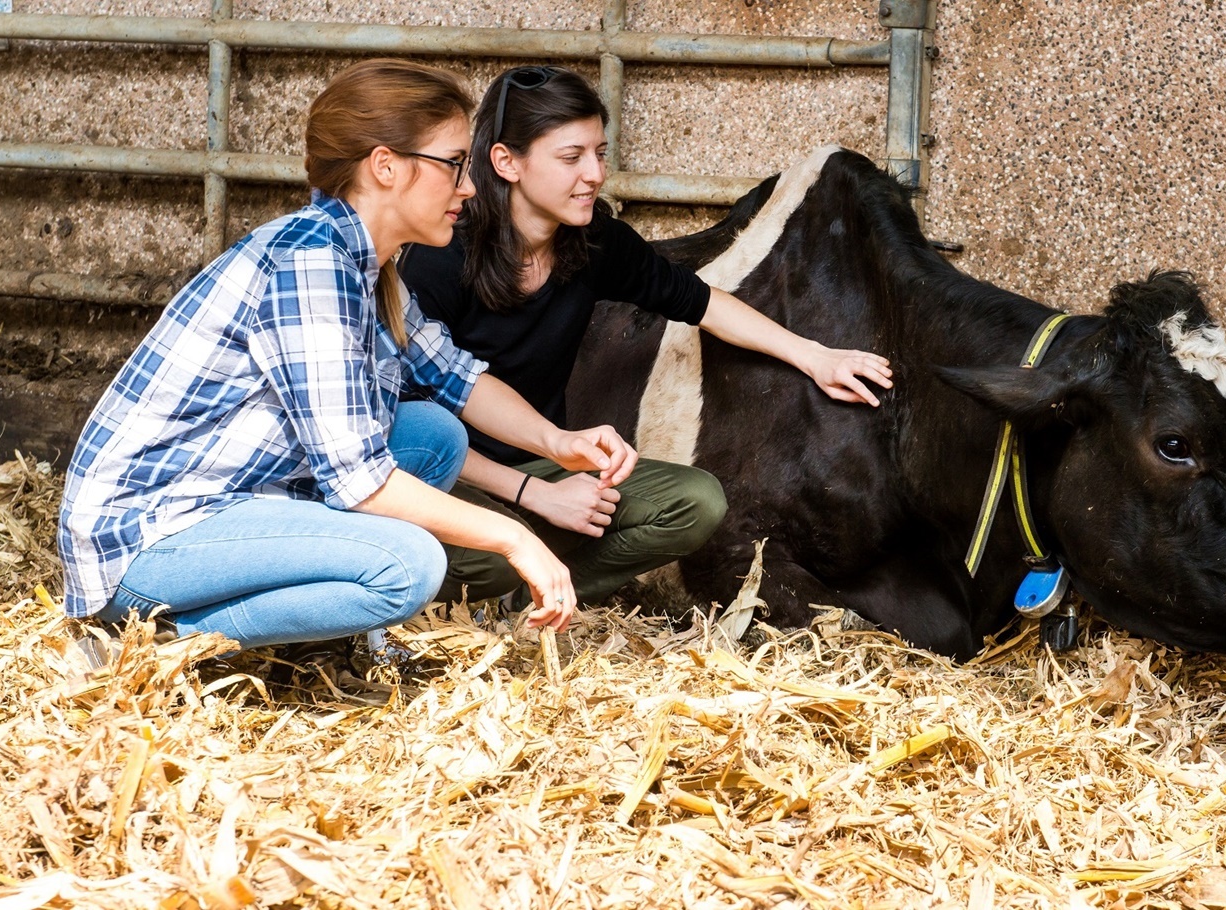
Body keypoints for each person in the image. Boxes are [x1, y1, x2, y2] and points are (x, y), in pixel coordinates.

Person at [56, 59, 638, 651]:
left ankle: (331, 635)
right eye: (454, 164)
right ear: (385, 166)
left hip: (234, 499)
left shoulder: (368, 263)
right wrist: (515, 537)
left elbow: (453, 377)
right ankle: (146, 644)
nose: (468, 186)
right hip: (147, 538)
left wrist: (557, 443)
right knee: (406, 567)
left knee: (432, 433)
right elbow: (361, 483)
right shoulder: (311, 266)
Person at [401, 65, 894, 606]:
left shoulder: (592, 243)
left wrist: (814, 357)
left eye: (601, 153)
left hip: (543, 458)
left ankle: (536, 596)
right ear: (506, 161)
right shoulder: (441, 256)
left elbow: (700, 301)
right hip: (449, 474)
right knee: (487, 560)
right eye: (571, 157)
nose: (594, 174)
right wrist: (536, 495)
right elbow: (411, 432)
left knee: (697, 503)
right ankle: (497, 579)